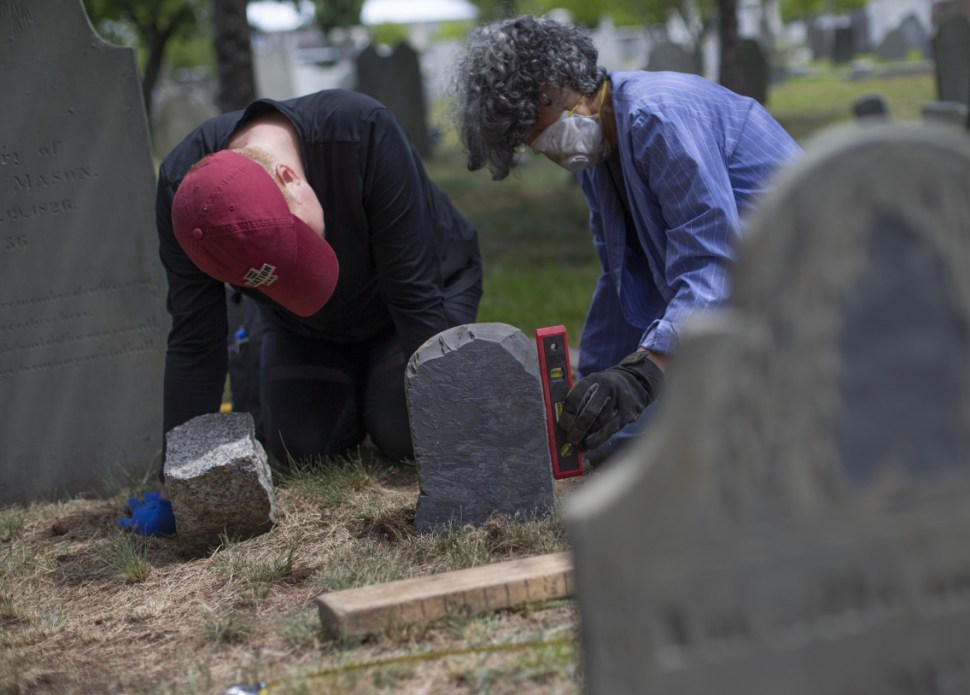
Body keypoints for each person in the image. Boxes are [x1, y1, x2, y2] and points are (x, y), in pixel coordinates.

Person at [118, 89, 483, 536]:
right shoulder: (186, 199)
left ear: (290, 176)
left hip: (415, 295)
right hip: (304, 325)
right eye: (279, 276)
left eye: (300, 256)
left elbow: (415, 300)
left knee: (403, 431)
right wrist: (177, 486)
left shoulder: (362, 132)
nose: (300, 282)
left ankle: (380, 395)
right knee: (303, 448)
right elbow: (197, 340)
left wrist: (460, 445)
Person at [453, 16, 801, 466]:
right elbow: (622, 276)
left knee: (636, 445)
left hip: (807, 295)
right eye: (526, 141)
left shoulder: (659, 116)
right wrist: (594, 378)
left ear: (555, 82)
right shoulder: (602, 153)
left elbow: (713, 262)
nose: (538, 144)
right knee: (607, 439)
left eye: (533, 126)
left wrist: (642, 376)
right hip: (751, 306)